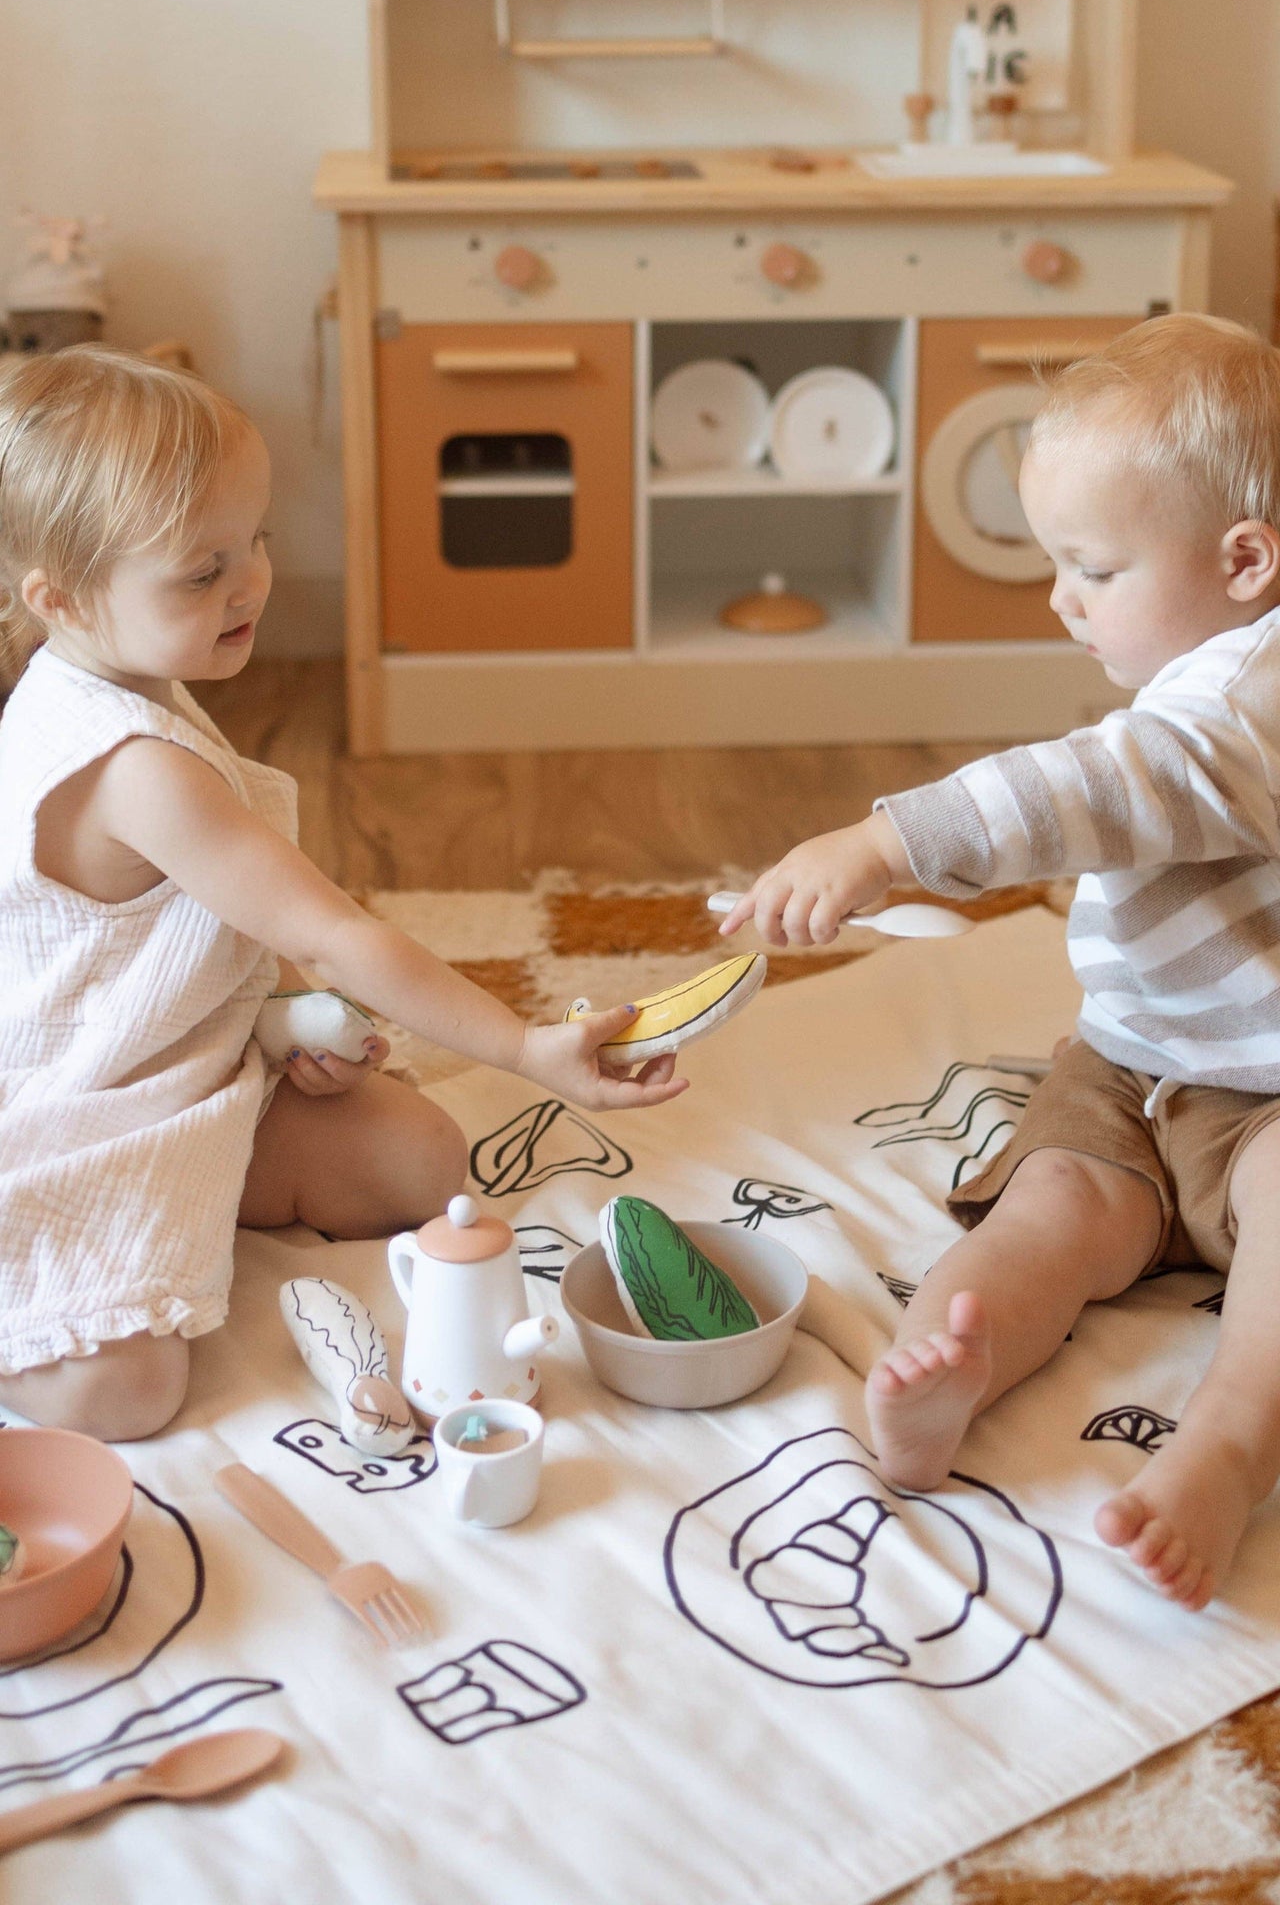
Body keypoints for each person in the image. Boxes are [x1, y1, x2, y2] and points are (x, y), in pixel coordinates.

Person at [0, 347, 686, 1444]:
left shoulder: (117, 676)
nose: (251, 583)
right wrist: (521, 1046)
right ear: (61, 599)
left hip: (196, 1068)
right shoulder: (135, 768)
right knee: (123, 1395)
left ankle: (209, 1189)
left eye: (257, 540)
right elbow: (332, 931)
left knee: (424, 1163)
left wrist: (280, 1017)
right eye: (202, 571)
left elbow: (212, 923)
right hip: (95, 1106)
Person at [722, 313, 1280, 1612]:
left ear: (1245, 560)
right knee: (1052, 1210)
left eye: (1093, 567)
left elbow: (1103, 784)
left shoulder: (1251, 700)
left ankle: (1227, 1445)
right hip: (1131, 1063)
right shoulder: (1211, 674)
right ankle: (941, 1368)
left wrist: (888, 844)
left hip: (1263, 1095)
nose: (1060, 599)